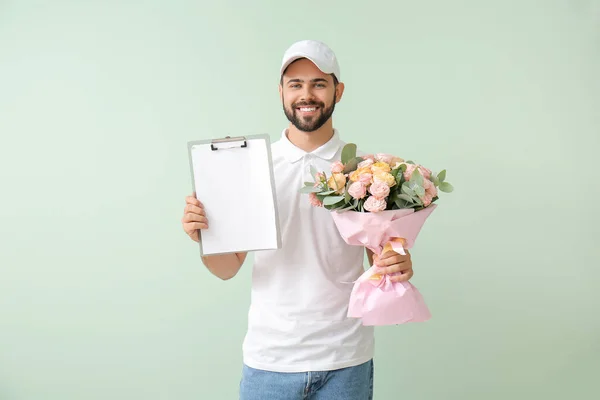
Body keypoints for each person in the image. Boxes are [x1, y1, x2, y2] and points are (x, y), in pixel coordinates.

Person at [181, 40, 414, 400]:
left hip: (346, 359)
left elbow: (379, 264)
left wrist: (396, 262)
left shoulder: (368, 174)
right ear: (281, 93)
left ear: (338, 91)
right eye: (296, 84)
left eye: (319, 83)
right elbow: (227, 268)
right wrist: (205, 237)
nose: (307, 94)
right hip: (270, 360)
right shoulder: (250, 170)